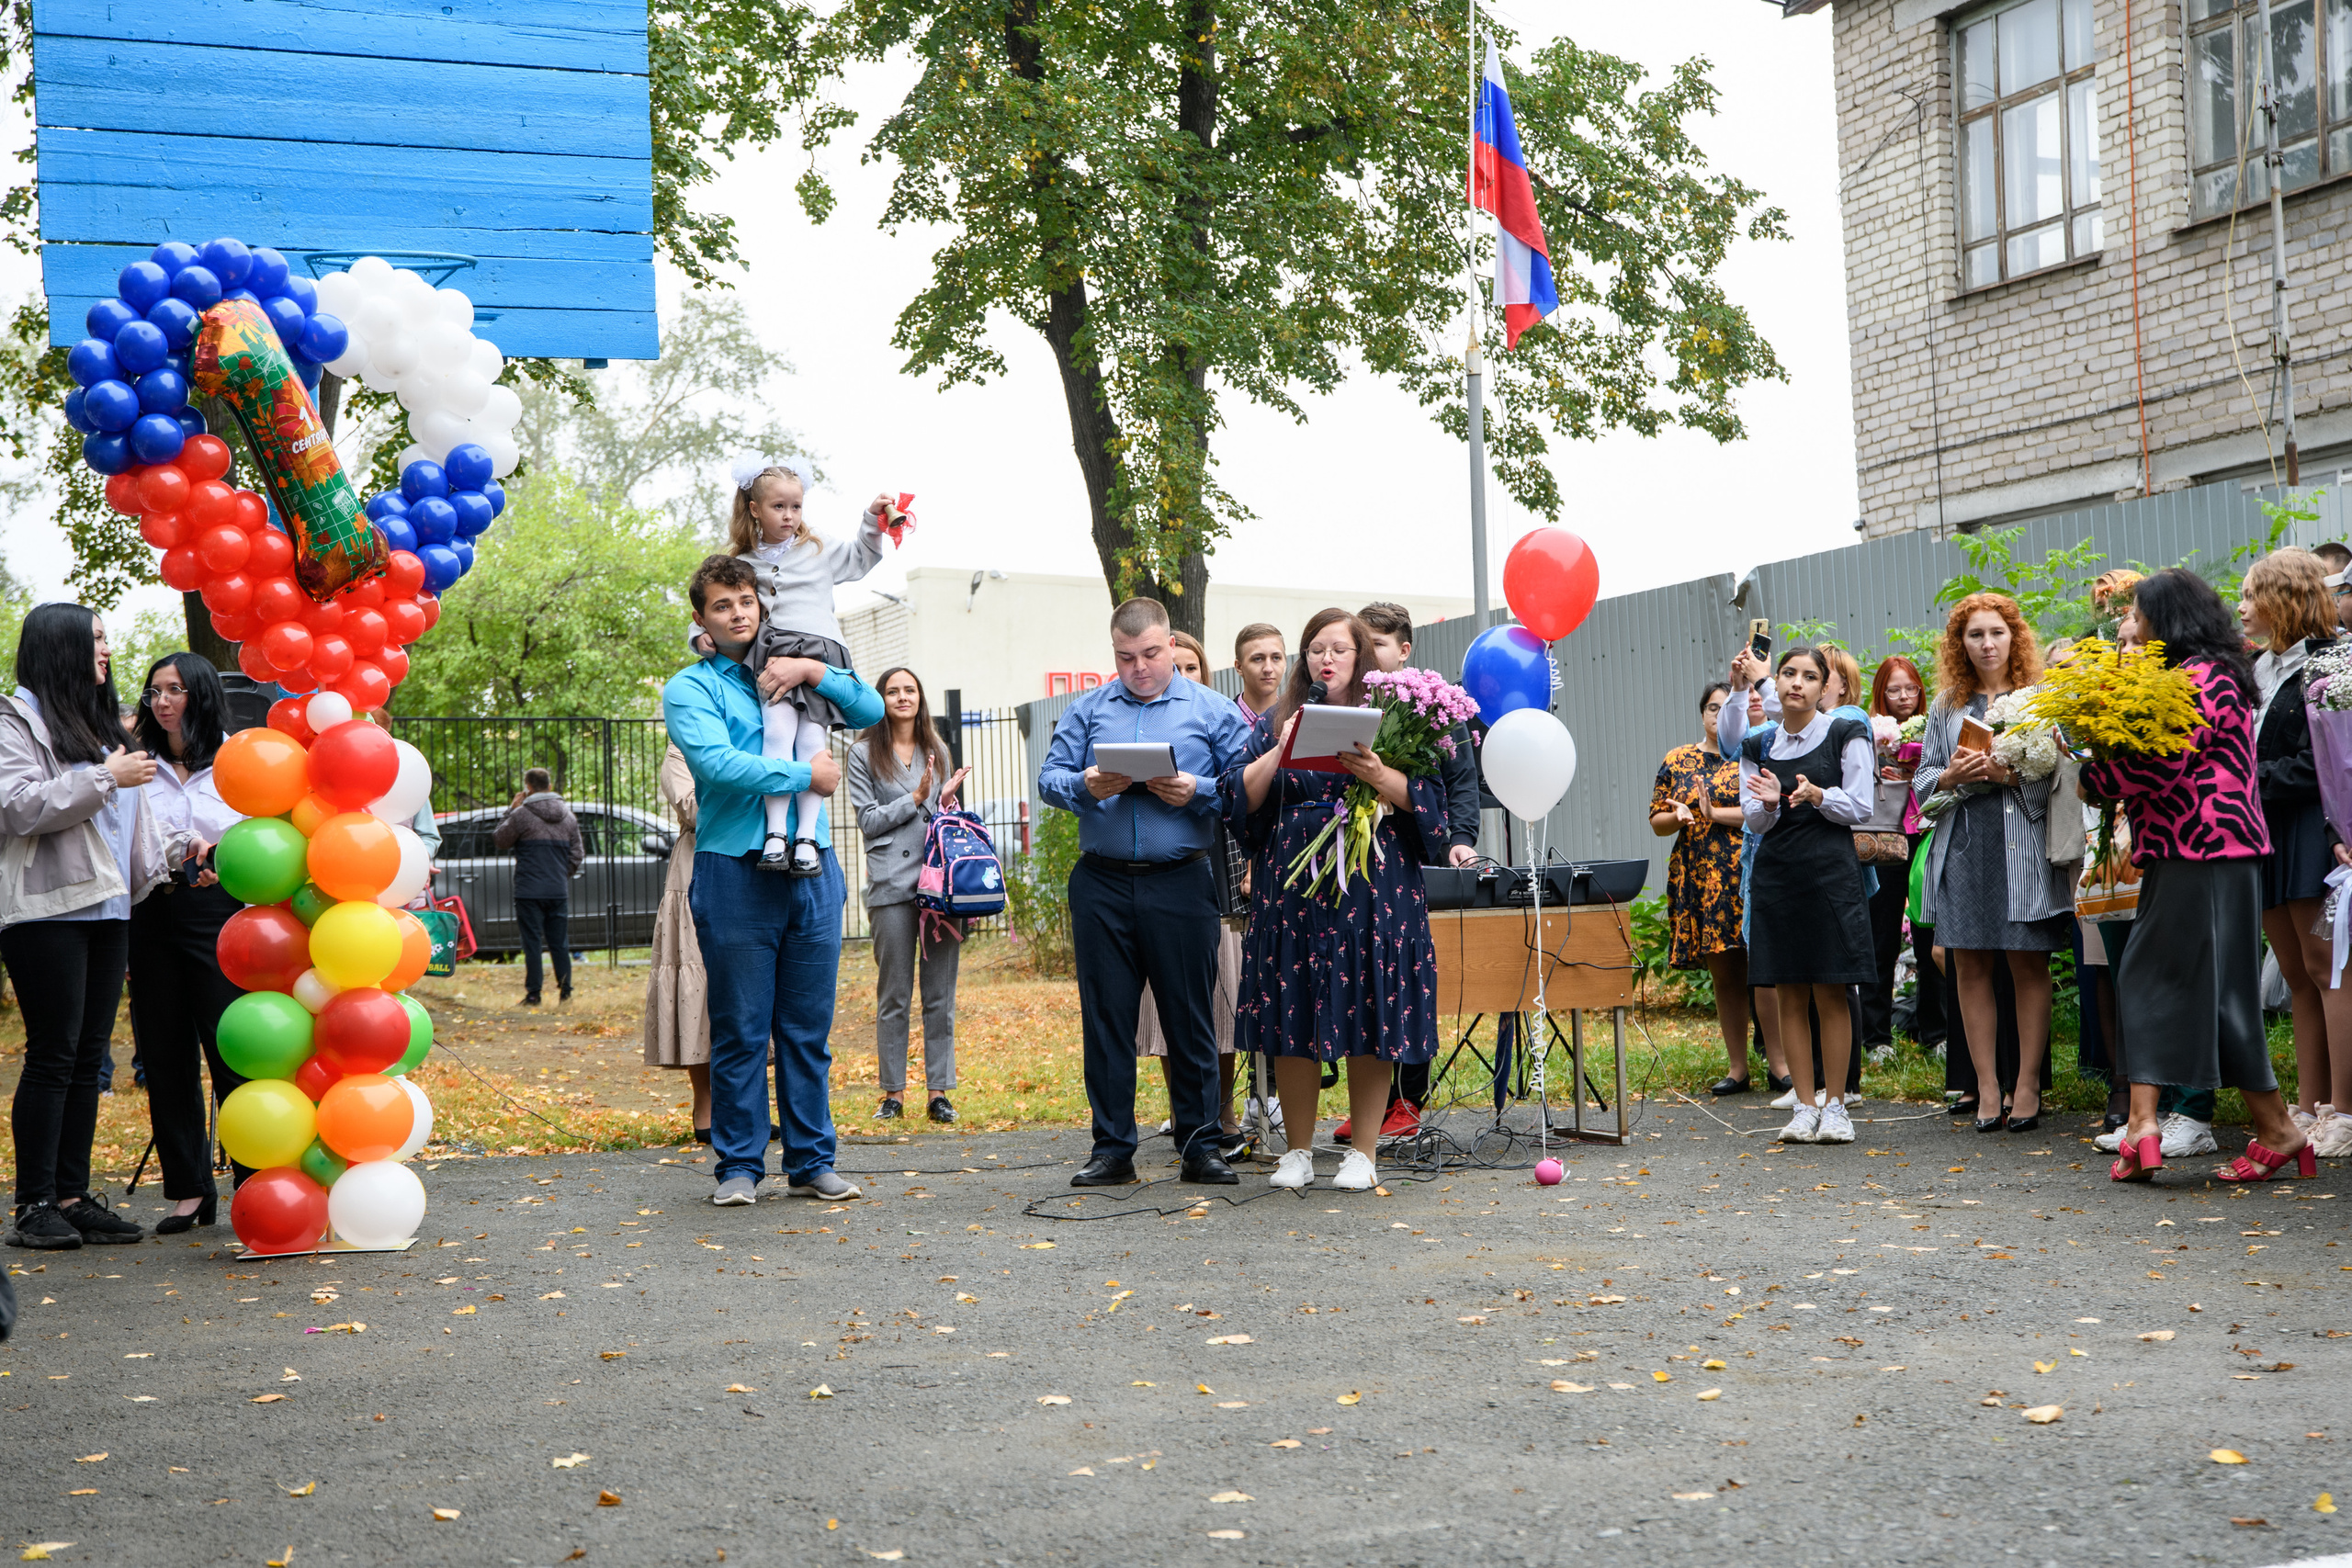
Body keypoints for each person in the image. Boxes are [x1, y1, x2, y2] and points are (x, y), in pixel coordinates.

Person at [664, 555, 885, 1207]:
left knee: (806, 1027)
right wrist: (803, 779)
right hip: (735, 868)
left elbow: (869, 706)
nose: (737, 612)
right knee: (740, 1026)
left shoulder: (791, 662)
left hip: (812, 869)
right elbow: (717, 763)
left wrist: (813, 671)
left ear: (760, 603)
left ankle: (813, 1160)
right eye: (722, 605)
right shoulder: (692, 687)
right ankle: (738, 1165)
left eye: (745, 600)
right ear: (702, 618)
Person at [2079, 568, 2310, 1185]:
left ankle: (2157, 1123)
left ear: (2166, 616)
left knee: (2164, 977)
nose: (2134, 623)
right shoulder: (2209, 673)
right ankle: (2175, 1122)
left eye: (2140, 612)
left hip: (2203, 847)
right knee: (2204, 987)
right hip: (2204, 849)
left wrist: (2092, 773)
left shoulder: (2199, 678)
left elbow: (2162, 763)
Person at [4, 605, 205, 1250]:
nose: (107, 650)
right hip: (45, 909)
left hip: (108, 907)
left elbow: (126, 827)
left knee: (90, 1059)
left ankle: (70, 1193)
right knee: (54, 1053)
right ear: (59, 646)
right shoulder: (13, 719)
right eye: (94, 639)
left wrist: (179, 859)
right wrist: (104, 776)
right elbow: (18, 807)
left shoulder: (95, 726)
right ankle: (33, 1202)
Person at [1227, 608, 1449, 1190]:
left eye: (1339, 649)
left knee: (1369, 1008)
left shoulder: (1399, 718)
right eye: (1315, 649)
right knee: (1293, 1010)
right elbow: (1239, 804)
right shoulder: (1278, 716)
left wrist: (1376, 771)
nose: (1325, 659)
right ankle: (1298, 1151)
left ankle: (1365, 1153)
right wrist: (1281, 747)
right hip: (1293, 886)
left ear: (1362, 657)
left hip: (1374, 886)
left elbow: (1429, 806)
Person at [1039, 597, 1253, 1188]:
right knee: (1106, 1018)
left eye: (1151, 654)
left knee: (1189, 1018)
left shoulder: (1210, 711)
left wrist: (1200, 790)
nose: (1139, 668)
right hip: (1102, 882)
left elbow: (1247, 783)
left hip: (1181, 878)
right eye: (1126, 657)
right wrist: (1084, 785)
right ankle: (1112, 1149)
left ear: (1172, 646)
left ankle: (1200, 1144)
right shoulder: (1088, 710)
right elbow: (1049, 778)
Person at [1910, 593, 2076, 1134]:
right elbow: (1922, 791)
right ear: (1961, 644)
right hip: (1963, 845)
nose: (1987, 643)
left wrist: (2005, 776)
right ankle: (1985, 1085)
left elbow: (2057, 784)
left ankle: (2026, 1085)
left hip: (2021, 847)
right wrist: (1952, 779)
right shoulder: (1945, 706)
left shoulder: (2037, 700)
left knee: (2027, 963)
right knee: (1970, 966)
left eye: (1996, 633)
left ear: (2015, 638)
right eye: (1975, 634)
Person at [694, 457, 894, 875]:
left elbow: (860, 558)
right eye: (779, 507)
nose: (789, 516)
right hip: (773, 656)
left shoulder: (816, 546)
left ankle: (805, 836)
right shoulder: (745, 562)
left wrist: (871, 521)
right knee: (778, 735)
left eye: (796, 506)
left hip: (819, 655)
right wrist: (697, 637)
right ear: (754, 509)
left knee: (811, 744)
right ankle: (775, 835)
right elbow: (711, 604)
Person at [1340, 602, 1480, 1139]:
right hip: (1351, 864)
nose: (1367, 655)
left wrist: (1459, 843)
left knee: (1404, 982)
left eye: (1376, 644)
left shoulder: (1437, 711)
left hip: (1412, 862)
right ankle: (1367, 1102)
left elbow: (1460, 784)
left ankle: (1407, 1099)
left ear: (1404, 650)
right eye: (1361, 643)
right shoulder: (1346, 705)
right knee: (1360, 983)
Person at [125, 653, 246, 1233]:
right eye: (154, 692)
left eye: (174, 690)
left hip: (218, 911)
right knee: (164, 1052)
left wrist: (223, 858)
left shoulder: (238, 758)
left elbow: (264, 835)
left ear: (199, 692)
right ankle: (190, 1190)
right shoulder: (134, 765)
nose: (163, 701)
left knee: (231, 1046)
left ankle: (253, 1176)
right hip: (149, 911)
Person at [1737, 648, 1876, 1145]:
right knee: (1789, 990)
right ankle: (1804, 1104)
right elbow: (1754, 818)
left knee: (1831, 989)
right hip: (1777, 874)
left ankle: (1837, 1105)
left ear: (1825, 688)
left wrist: (1819, 795)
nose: (1797, 683)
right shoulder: (1756, 743)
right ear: (1774, 683)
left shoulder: (1844, 731)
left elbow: (1860, 805)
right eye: (1789, 673)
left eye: (1810, 676)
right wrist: (1771, 804)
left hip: (1830, 872)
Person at [2239, 550, 2352, 1156]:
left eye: (2251, 594)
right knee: (2295, 973)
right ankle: (2308, 1105)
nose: (2241, 607)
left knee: (2329, 967)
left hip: (2313, 824)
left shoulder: (2333, 662)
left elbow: (2325, 761)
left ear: (2283, 597)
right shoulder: (2258, 668)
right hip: (2265, 829)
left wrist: (2244, 779)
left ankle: (2345, 1110)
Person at [846, 667, 970, 1125]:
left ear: (920, 698)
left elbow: (944, 820)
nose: (902, 697)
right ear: (880, 700)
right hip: (890, 884)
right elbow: (868, 821)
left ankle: (939, 1092)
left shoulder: (936, 748)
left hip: (938, 883)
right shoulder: (862, 754)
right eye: (893, 691)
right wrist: (917, 796)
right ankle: (893, 1093)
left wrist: (947, 801)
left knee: (940, 994)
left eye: (910, 690)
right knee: (894, 994)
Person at [1137, 632, 1242, 1145]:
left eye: (1191, 668)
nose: (1179, 676)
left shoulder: (1218, 719)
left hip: (1213, 870)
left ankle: (1221, 1117)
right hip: (1152, 871)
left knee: (1214, 1008)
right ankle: (1185, 1114)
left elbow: (1244, 788)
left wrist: (1197, 788)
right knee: (1162, 1012)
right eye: (1171, 665)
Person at [1650, 682, 1755, 1092]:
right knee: (1725, 973)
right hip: (1703, 876)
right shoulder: (1678, 760)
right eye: (1713, 707)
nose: (1718, 715)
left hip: (1749, 871)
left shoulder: (1754, 752)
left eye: (1727, 707)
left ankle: (1782, 1065)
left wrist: (1715, 813)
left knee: (1766, 974)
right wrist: (1678, 816)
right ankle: (1738, 1068)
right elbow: (1657, 822)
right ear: (1703, 713)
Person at [1864, 655, 1941, 1050]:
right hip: (1886, 836)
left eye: (1911, 688)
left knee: (1931, 934)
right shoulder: (1866, 732)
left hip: (1927, 835)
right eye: (1894, 689)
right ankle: (1876, 1037)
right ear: (1881, 693)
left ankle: (1935, 1032)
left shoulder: (1935, 728)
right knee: (1882, 937)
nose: (1904, 696)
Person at [642, 742, 713, 1140]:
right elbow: (693, 810)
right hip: (696, 872)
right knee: (697, 989)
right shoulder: (680, 753)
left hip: (752, 870)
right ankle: (705, 1109)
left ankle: (744, 1106)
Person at [492, 766, 584, 1007]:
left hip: (528, 891)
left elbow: (500, 840)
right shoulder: (568, 816)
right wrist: (559, 875)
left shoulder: (521, 815)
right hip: (557, 890)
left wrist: (509, 810)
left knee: (532, 943)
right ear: (550, 786)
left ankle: (534, 994)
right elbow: (577, 854)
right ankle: (566, 992)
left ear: (528, 788)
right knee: (560, 943)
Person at [1233, 622, 1286, 722]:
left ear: (1285, 664)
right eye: (1258, 659)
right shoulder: (1222, 722)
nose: (1268, 669)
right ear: (1239, 667)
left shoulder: (1297, 720)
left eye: (1276, 658)